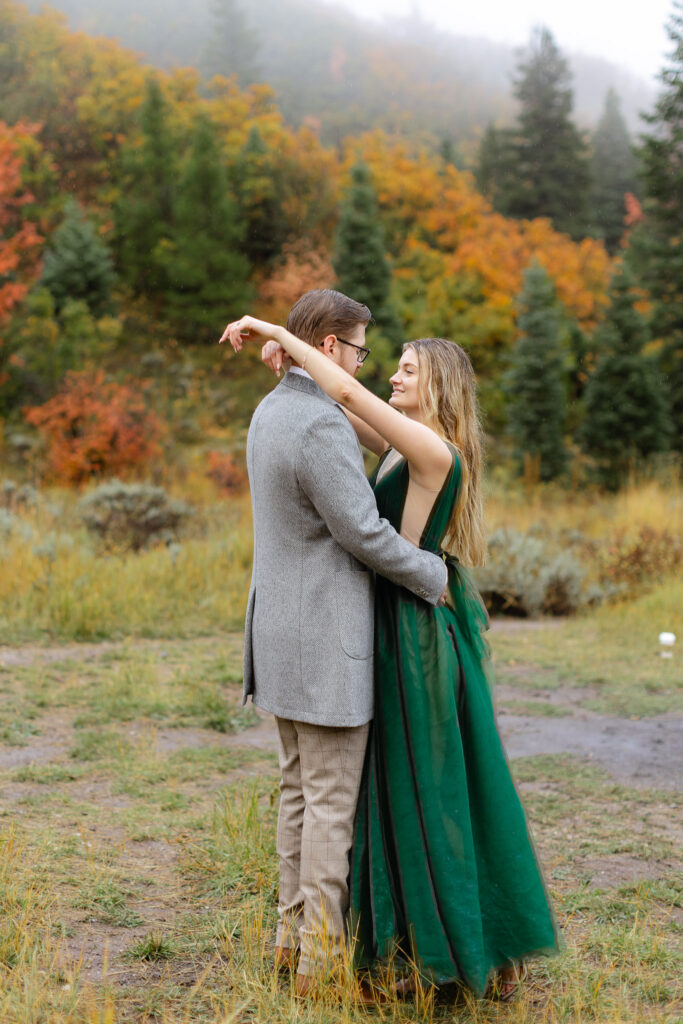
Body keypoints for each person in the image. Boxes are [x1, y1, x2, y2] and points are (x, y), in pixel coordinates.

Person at [222, 309, 561, 1002]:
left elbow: (344, 396)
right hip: (382, 621)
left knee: (429, 787)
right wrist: (295, 364)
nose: (390, 373)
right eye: (390, 363)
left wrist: (279, 335)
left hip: (414, 629)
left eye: (406, 368)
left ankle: (452, 945)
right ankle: (366, 945)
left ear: (435, 385)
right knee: (384, 790)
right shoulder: (397, 443)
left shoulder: (432, 450)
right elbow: (330, 413)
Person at [220, 290, 448, 999]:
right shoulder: (318, 425)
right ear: (329, 349)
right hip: (323, 644)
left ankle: (290, 943)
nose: (362, 364)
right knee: (326, 805)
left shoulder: (272, 410)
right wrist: (432, 575)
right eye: (357, 350)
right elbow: (363, 533)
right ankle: (320, 966)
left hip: (278, 639)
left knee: (297, 792)